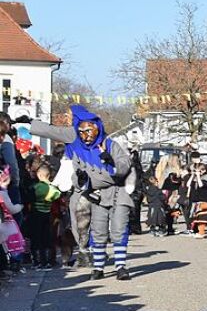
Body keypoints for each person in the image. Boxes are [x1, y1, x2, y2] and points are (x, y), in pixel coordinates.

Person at [26, 106, 134, 280]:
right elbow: (76, 174)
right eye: (82, 131)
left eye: (69, 115)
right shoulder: (77, 143)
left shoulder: (105, 143)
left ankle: (120, 266)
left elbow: (124, 165)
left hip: (116, 192)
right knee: (97, 230)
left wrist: (112, 162)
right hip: (96, 193)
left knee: (119, 228)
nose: (86, 135)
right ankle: (97, 266)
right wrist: (82, 182)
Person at [26, 162, 60, 268]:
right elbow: (57, 196)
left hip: (35, 214)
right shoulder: (53, 189)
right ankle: (48, 260)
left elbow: (29, 200)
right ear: (49, 175)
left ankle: (38, 261)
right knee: (47, 237)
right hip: (47, 214)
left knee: (37, 238)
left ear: (39, 175)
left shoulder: (35, 187)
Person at [184, 163, 207, 238]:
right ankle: (196, 231)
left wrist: (198, 176)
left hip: (203, 200)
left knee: (202, 217)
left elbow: (201, 185)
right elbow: (188, 185)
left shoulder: (206, 177)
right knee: (195, 217)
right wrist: (192, 175)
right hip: (195, 200)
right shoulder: (195, 177)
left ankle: (201, 232)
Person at [0, 113, 22, 208]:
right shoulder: (6, 140)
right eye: (9, 123)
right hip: (7, 183)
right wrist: (15, 182)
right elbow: (12, 164)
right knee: (15, 214)